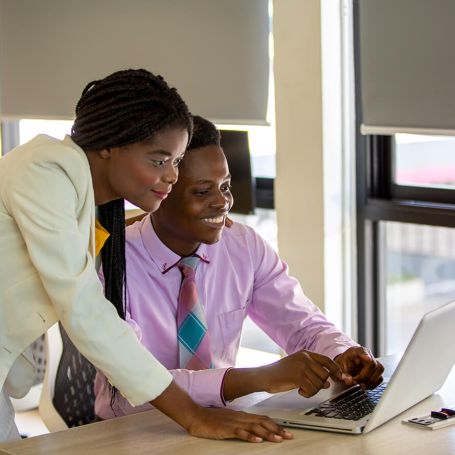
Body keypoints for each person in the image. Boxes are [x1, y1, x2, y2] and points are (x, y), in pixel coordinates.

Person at [0, 71, 293, 444]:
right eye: (159, 161)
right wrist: (193, 415)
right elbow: (84, 309)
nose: (172, 176)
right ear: (110, 145)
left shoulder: (82, 196)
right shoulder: (45, 172)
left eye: (177, 161)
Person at [94, 115, 384, 418]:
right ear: (159, 195)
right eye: (203, 191)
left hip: (224, 421)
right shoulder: (111, 264)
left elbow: (303, 326)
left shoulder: (243, 246)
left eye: (225, 186)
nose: (222, 202)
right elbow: (131, 388)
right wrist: (260, 377)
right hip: (133, 430)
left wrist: (342, 353)